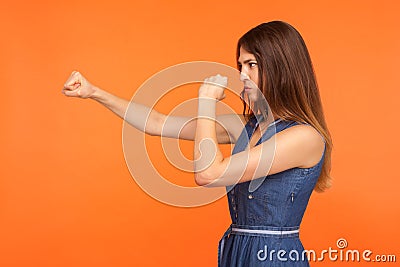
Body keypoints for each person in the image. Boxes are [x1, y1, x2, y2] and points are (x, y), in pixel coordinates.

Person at [62, 21, 332, 266]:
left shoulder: (304, 137)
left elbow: (209, 173)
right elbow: (156, 123)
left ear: (279, 68)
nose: (242, 75)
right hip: (237, 251)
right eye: (240, 66)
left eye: (251, 65)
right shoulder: (247, 126)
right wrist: (94, 92)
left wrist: (206, 102)